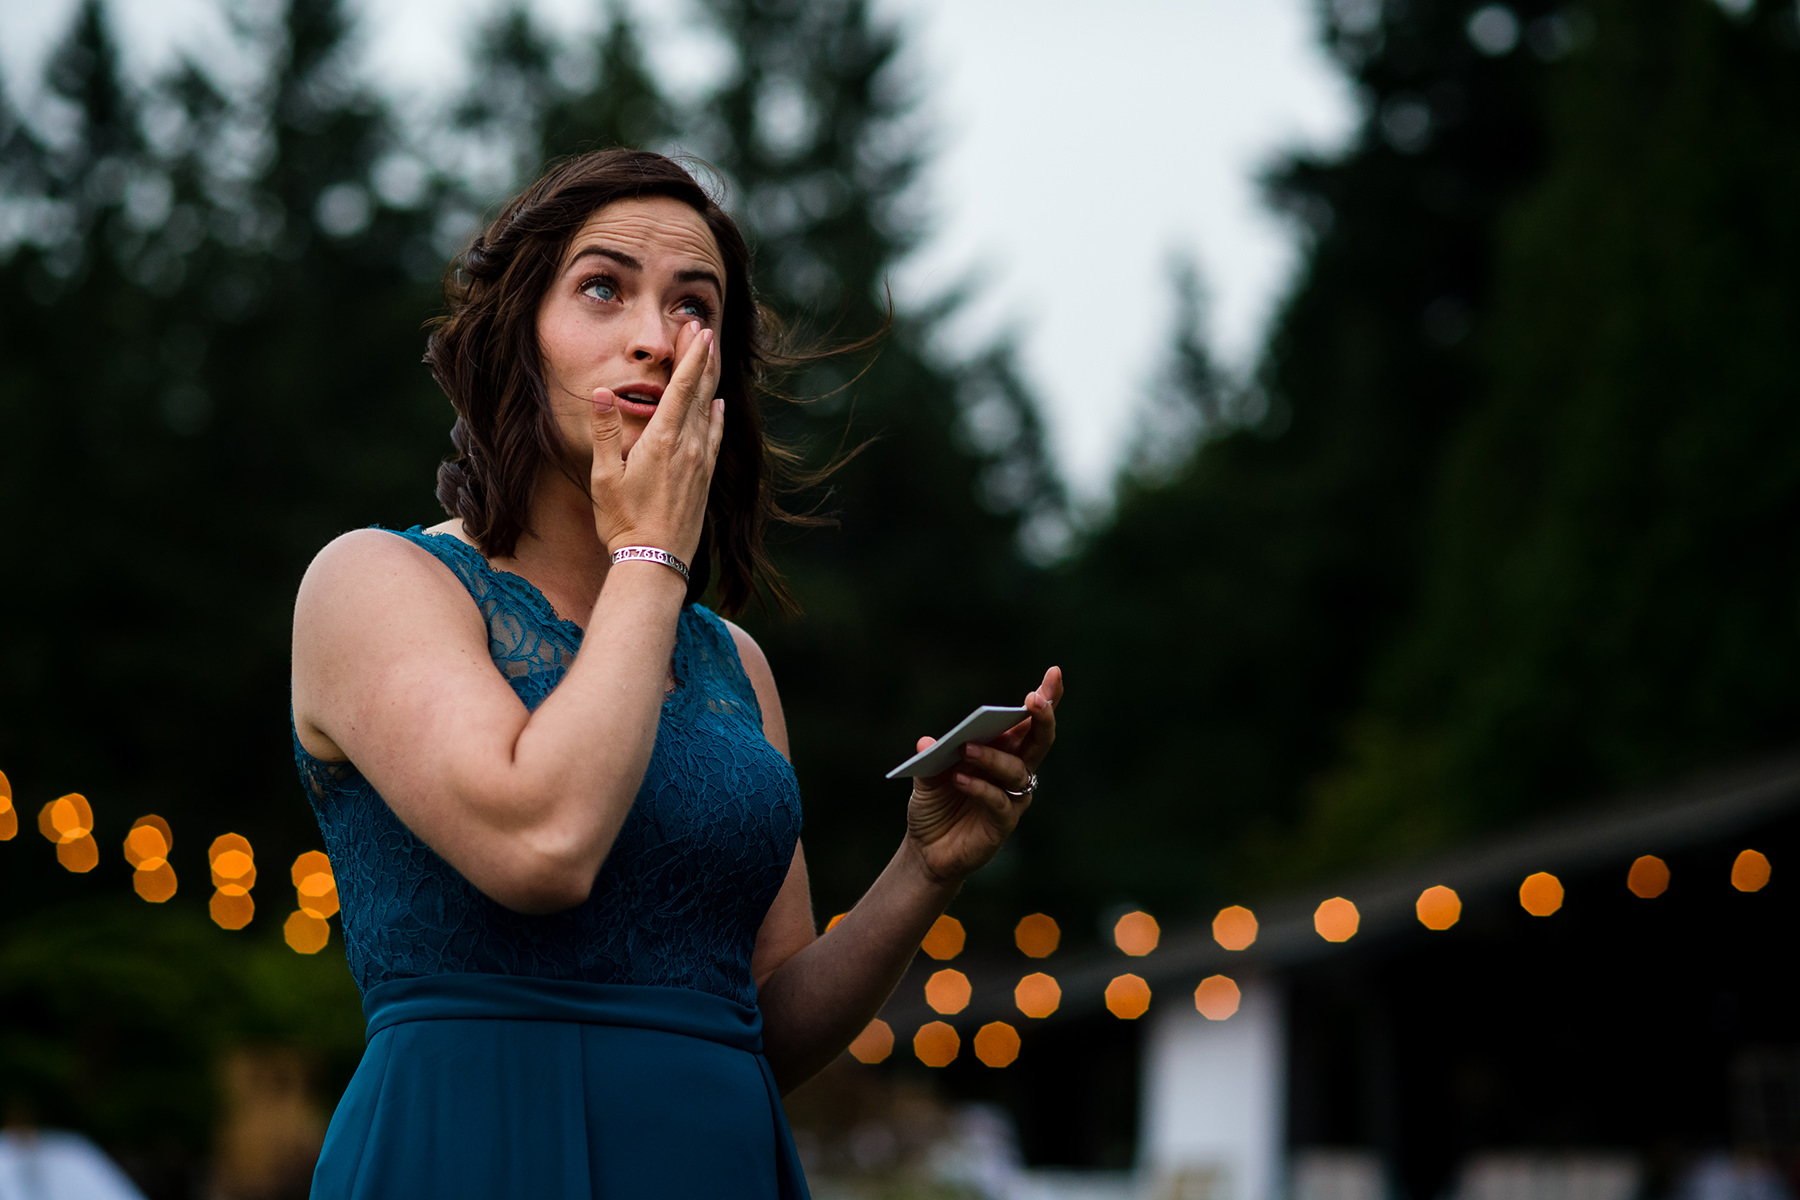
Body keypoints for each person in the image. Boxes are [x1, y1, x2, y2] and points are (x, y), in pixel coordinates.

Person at [288, 148, 1063, 1198]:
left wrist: (925, 873)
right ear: (518, 337)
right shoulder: (376, 582)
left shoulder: (732, 664)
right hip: (474, 1151)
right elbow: (541, 844)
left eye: (693, 308)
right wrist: (651, 555)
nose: (655, 339)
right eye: (602, 288)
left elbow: (761, 1026)